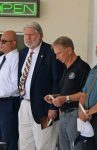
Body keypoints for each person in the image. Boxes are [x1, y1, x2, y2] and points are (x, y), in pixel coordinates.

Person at [18, 22, 64, 150]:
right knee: (25, 144)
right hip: (25, 106)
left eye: (31, 35)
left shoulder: (50, 52)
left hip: (45, 109)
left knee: (45, 144)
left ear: (40, 35)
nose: (28, 38)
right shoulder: (22, 53)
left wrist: (53, 106)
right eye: (26, 35)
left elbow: (57, 82)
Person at [44, 36, 91, 150]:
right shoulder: (66, 68)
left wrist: (65, 99)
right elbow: (67, 92)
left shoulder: (82, 67)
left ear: (69, 50)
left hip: (75, 114)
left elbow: (86, 93)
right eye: (56, 54)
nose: (57, 57)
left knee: (76, 147)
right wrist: (55, 97)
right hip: (63, 115)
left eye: (59, 53)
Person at [0, 30, 20, 150]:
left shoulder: (17, 58)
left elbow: (17, 85)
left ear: (13, 43)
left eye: (4, 41)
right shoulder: (2, 58)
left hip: (9, 103)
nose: (0, 43)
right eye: (0, 40)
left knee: (9, 138)